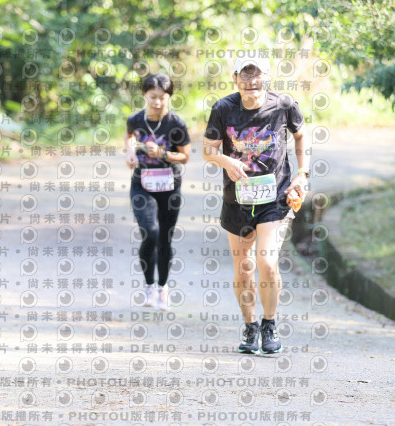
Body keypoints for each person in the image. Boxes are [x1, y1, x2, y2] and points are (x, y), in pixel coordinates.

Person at [202, 54, 310, 354]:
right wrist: (225, 161)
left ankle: (269, 323)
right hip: (237, 199)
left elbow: (301, 135)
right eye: (245, 75)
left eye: (257, 74)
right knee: (244, 269)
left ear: (267, 77)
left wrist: (302, 173)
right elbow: (208, 150)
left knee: (267, 262)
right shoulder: (223, 109)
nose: (251, 81)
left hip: (274, 198)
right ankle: (250, 327)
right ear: (235, 78)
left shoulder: (283, 104)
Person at [125, 73, 191, 310]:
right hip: (142, 184)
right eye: (153, 97)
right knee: (150, 232)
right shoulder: (135, 120)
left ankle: (163, 288)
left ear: (169, 97)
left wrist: (162, 154)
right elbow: (130, 138)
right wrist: (130, 153)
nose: (157, 102)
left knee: (165, 238)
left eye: (162, 97)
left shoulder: (176, 124)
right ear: (144, 95)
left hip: (169, 186)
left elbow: (185, 156)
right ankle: (148, 286)